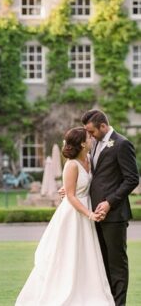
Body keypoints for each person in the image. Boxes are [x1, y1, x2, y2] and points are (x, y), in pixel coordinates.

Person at [16, 127, 115, 306]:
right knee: (69, 253)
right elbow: (70, 196)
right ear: (83, 143)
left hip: (87, 209)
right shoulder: (71, 165)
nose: (92, 139)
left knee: (87, 254)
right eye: (89, 137)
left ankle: (88, 290)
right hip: (74, 214)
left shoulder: (89, 159)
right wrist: (89, 214)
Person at [80, 109, 139, 306]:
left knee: (116, 263)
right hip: (95, 214)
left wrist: (109, 202)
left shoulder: (122, 144)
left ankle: (119, 304)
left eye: (92, 131)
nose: (89, 135)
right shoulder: (94, 144)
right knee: (101, 261)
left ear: (103, 126)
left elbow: (132, 179)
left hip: (114, 215)